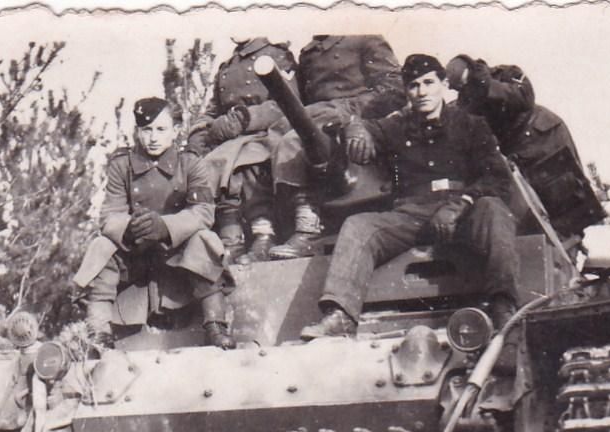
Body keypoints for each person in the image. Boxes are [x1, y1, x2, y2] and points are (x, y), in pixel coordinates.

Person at [301, 54, 521, 372]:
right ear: (407, 92)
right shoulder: (396, 126)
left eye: (429, 83)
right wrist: (355, 130)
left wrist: (461, 205)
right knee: (359, 226)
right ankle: (340, 316)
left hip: (463, 212)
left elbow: (497, 180)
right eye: (414, 86)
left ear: (444, 85)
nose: (422, 92)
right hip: (411, 215)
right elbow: (367, 131)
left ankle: (503, 308)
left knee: (495, 211)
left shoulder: (471, 125)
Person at [72, 97, 236, 350]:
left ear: (176, 130)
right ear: (138, 131)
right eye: (146, 130)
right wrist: (128, 228)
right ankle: (99, 332)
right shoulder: (121, 166)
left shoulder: (190, 163)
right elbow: (110, 214)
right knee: (101, 247)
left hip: (177, 253)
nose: (153, 137)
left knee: (204, 241)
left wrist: (165, 227)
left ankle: (215, 324)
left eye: (161, 129)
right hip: (136, 255)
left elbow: (203, 211)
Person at [268, 34, 407, 260]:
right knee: (276, 138)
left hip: (352, 121)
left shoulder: (365, 38)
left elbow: (394, 90)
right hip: (317, 122)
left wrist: (349, 113)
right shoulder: (309, 53)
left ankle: (308, 228)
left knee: (291, 142)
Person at [446, 55, 603, 240]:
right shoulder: (464, 102)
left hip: (542, 139)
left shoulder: (505, 74)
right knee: (524, 216)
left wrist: (486, 85)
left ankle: (571, 246)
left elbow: (524, 98)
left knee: (565, 207)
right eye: (460, 87)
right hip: (512, 152)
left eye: (467, 81)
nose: (466, 89)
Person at [188, 37, 296, 264]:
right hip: (232, 139)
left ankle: (263, 233)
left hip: (267, 132)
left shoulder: (276, 55)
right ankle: (231, 238)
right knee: (208, 164)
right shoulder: (227, 67)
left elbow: (286, 102)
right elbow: (213, 109)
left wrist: (244, 119)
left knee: (246, 160)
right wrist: (199, 132)